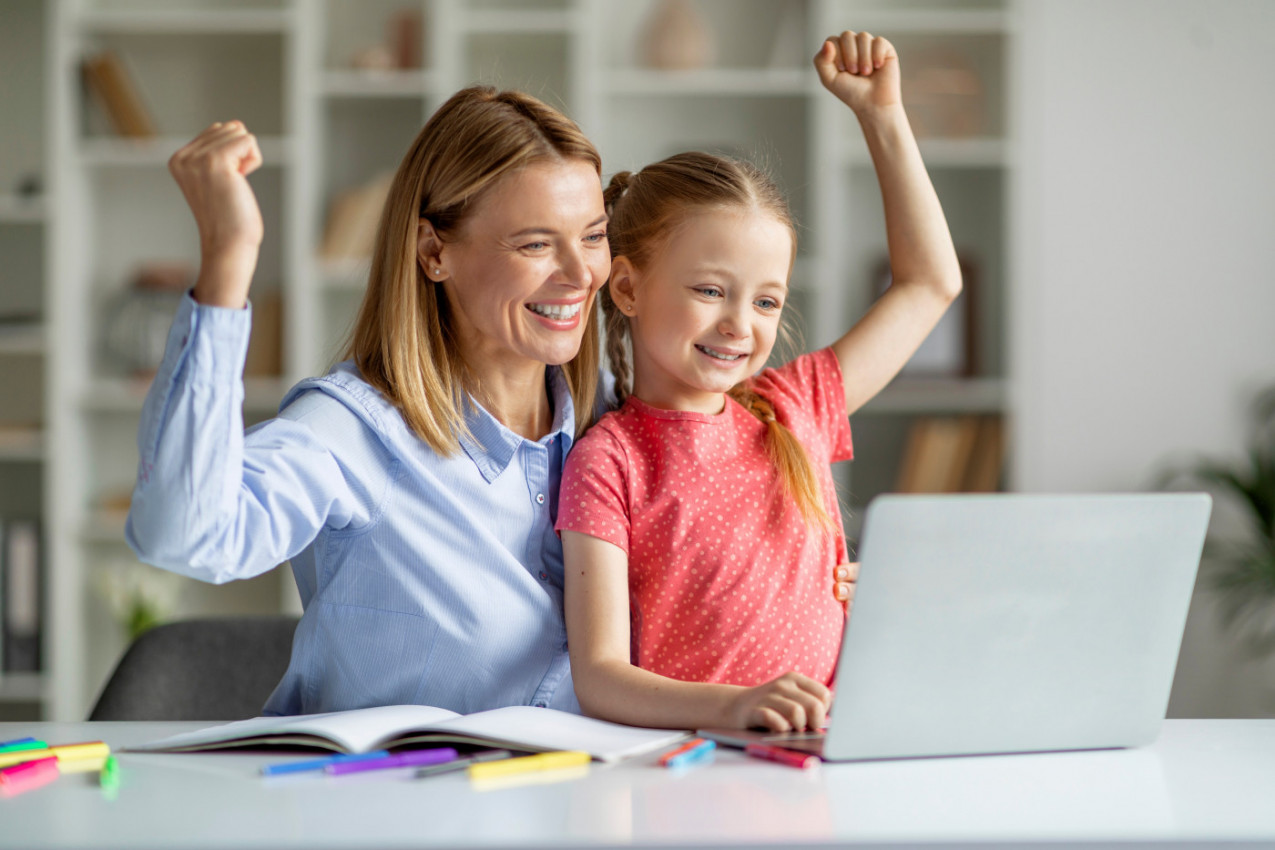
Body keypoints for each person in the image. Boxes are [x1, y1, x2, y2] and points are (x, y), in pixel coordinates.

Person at [126, 86, 615, 715]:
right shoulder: (352, 432)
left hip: (582, 805)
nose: (581, 274)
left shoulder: (615, 420)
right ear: (434, 252)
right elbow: (182, 534)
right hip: (385, 808)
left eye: (594, 235)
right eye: (535, 244)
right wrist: (229, 254)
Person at [557, 31, 963, 733]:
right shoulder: (609, 461)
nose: (739, 325)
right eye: (710, 290)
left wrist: (882, 116)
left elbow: (931, 282)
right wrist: (736, 706)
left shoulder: (795, 405)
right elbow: (600, 678)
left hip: (827, 751)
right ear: (625, 286)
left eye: (766, 301)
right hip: (700, 762)